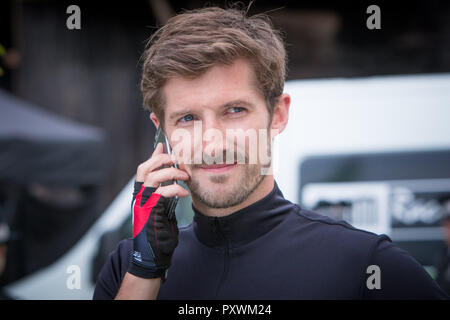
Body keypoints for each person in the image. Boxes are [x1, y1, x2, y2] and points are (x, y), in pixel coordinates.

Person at [93, 6, 448, 300]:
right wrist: (144, 272)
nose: (213, 143)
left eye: (234, 110)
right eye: (187, 118)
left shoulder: (367, 266)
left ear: (278, 114)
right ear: (162, 128)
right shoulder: (128, 268)